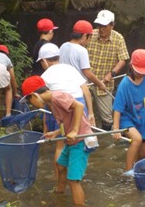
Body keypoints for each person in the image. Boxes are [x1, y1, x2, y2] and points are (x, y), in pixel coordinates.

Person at [21, 75, 92, 205]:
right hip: (71, 141)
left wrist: (75, 130)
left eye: (29, 100)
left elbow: (79, 106)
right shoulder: (51, 103)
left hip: (81, 140)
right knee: (60, 165)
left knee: (74, 180)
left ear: (34, 95)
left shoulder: (58, 96)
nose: (31, 104)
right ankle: (60, 194)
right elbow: (66, 120)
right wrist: (56, 132)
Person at [38, 43, 96, 190]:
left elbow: (45, 101)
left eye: (41, 63)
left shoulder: (44, 76)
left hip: (61, 106)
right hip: (78, 102)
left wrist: (46, 125)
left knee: (60, 144)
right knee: (71, 141)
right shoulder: (70, 68)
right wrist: (91, 113)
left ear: (44, 61)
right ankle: (72, 177)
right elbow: (86, 90)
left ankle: (61, 179)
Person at [112, 49, 145, 175]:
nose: (142, 75)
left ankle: (139, 170)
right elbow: (117, 108)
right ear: (131, 67)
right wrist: (116, 128)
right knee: (137, 139)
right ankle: (128, 172)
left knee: (144, 154)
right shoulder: (124, 84)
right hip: (127, 119)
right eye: (140, 72)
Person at [87, 9, 130, 130]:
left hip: (104, 83)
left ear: (112, 25)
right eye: (99, 25)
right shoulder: (90, 35)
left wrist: (111, 74)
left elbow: (123, 59)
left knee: (107, 117)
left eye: (105, 26)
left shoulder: (118, 39)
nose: (101, 29)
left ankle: (107, 142)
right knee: (82, 112)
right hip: (86, 80)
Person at [59, 20, 106, 91]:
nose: (89, 41)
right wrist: (100, 84)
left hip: (64, 86)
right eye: (89, 37)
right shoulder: (82, 51)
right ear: (84, 36)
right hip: (78, 89)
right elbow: (88, 73)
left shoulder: (63, 45)